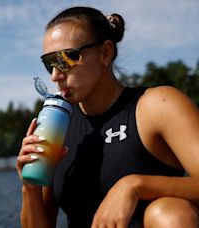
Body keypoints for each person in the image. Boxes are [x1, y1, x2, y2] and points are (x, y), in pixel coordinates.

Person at [16, 6, 199, 228]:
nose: (55, 75)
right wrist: (30, 188)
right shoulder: (58, 126)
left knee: (171, 212)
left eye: (65, 59)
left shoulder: (156, 106)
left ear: (105, 53)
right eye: (49, 63)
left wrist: (135, 186)